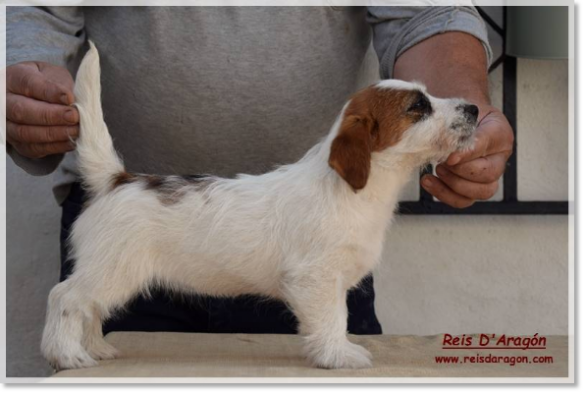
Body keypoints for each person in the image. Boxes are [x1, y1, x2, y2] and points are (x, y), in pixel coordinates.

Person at [6, 6, 513, 336]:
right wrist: (23, 71)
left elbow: (426, 12)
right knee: (97, 298)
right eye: (420, 109)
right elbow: (34, 11)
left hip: (289, 233)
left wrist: (466, 112)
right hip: (142, 217)